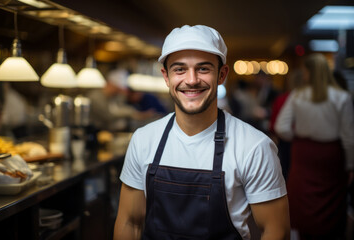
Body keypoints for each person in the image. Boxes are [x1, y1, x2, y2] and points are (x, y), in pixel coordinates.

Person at [114, 25, 290, 240]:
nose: (191, 80)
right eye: (179, 69)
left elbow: (275, 231)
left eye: (203, 69)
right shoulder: (143, 140)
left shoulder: (255, 146)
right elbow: (129, 223)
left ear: (222, 74)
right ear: (166, 76)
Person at [275, 53, 354, 239]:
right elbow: (349, 137)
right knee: (333, 200)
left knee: (303, 197)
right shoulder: (342, 97)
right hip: (332, 155)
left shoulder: (298, 95)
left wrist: (299, 138)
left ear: (309, 72)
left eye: (304, 71)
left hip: (304, 154)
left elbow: (281, 127)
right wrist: (351, 165)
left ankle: (304, 234)